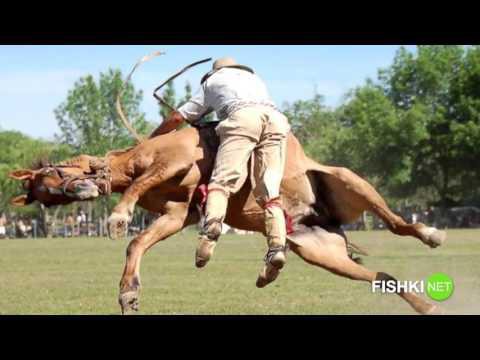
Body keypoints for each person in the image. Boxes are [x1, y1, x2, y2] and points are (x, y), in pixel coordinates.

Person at [151, 57, 291, 284]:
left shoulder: (213, 81)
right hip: (277, 121)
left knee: (221, 184)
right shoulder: (254, 78)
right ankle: (276, 247)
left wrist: (152, 141)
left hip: (242, 118)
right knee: (269, 193)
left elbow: (178, 117)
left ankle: (211, 231)